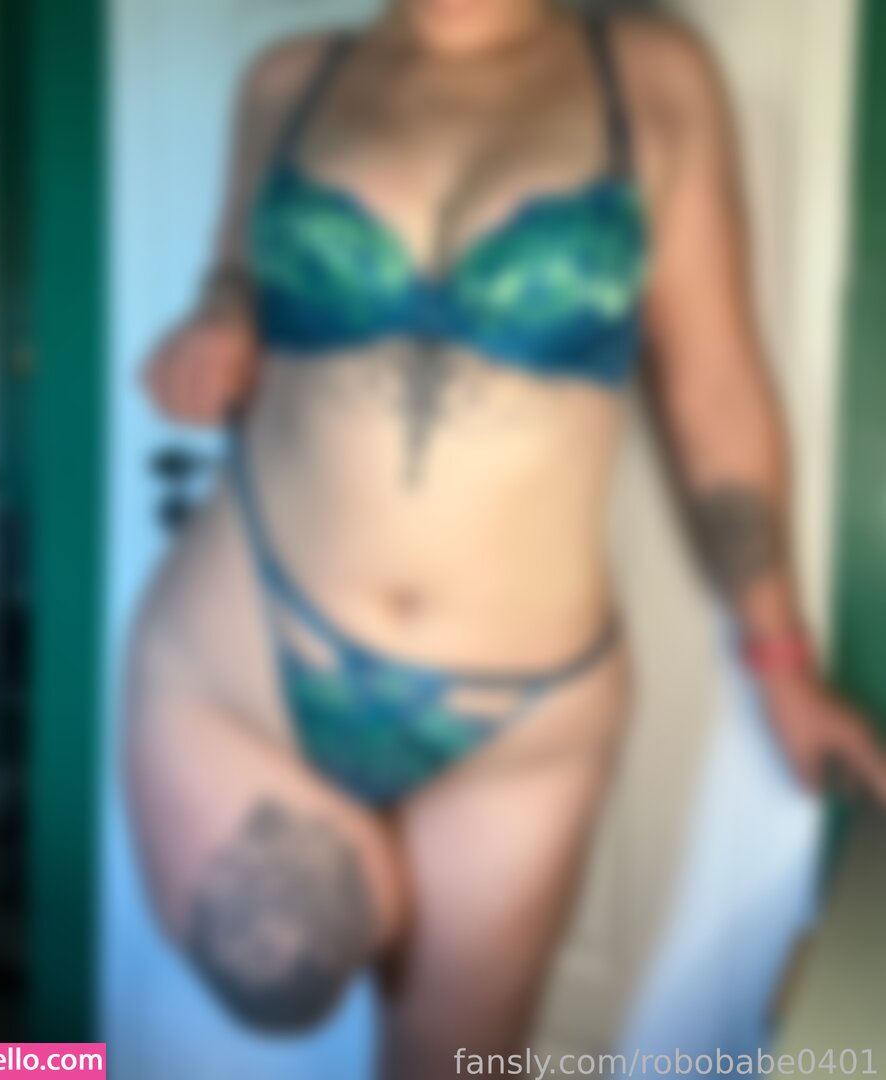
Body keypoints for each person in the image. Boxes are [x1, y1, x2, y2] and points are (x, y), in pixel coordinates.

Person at [126, 1, 886, 1075]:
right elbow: (235, 272)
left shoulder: (652, 73)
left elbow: (715, 389)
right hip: (242, 655)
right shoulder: (287, 79)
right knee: (281, 975)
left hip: (524, 724)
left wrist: (783, 662)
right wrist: (221, 315)